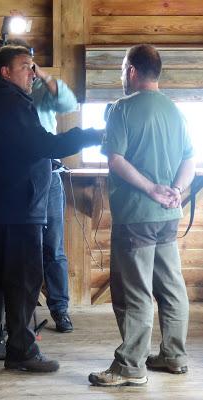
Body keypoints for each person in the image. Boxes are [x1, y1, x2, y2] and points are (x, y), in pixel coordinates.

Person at [0, 45, 103, 373]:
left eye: (33, 67)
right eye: (25, 67)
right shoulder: (13, 103)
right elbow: (43, 146)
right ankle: (22, 352)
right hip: (20, 202)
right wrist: (92, 135)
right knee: (25, 277)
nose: (32, 74)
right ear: (6, 72)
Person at [89, 44, 195, 387]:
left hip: (136, 216)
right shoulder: (175, 111)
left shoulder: (121, 109)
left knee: (133, 291)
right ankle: (174, 356)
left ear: (132, 70)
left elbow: (115, 160)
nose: (122, 74)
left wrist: (150, 189)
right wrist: (176, 191)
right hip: (168, 215)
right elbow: (189, 161)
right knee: (171, 287)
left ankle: (130, 366)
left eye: (123, 68)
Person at [32, 64, 76, 333]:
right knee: (22, 247)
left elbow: (69, 103)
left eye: (29, 65)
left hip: (49, 174)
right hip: (18, 177)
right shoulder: (3, 96)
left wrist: (45, 77)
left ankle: (60, 309)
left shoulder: (41, 89)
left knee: (54, 248)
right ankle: (19, 310)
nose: (26, 70)